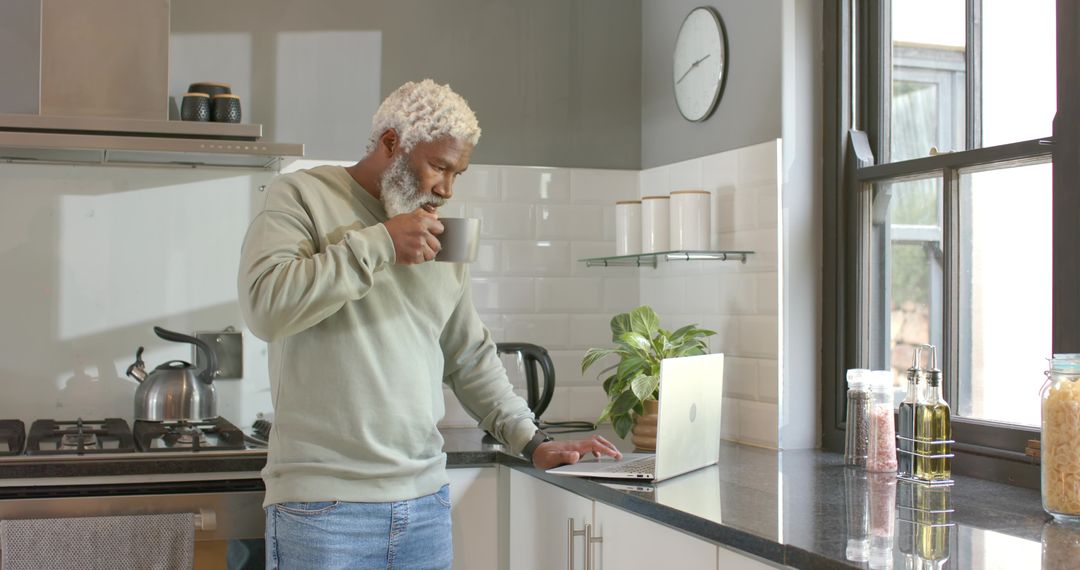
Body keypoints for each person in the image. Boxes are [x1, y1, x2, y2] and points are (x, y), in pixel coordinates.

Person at [237, 79, 621, 570]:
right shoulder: (301, 194)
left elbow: (469, 356)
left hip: (425, 506)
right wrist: (379, 244)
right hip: (323, 510)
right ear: (392, 143)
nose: (446, 189)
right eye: (438, 166)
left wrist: (534, 441)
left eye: (457, 173)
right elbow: (266, 307)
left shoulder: (440, 235)